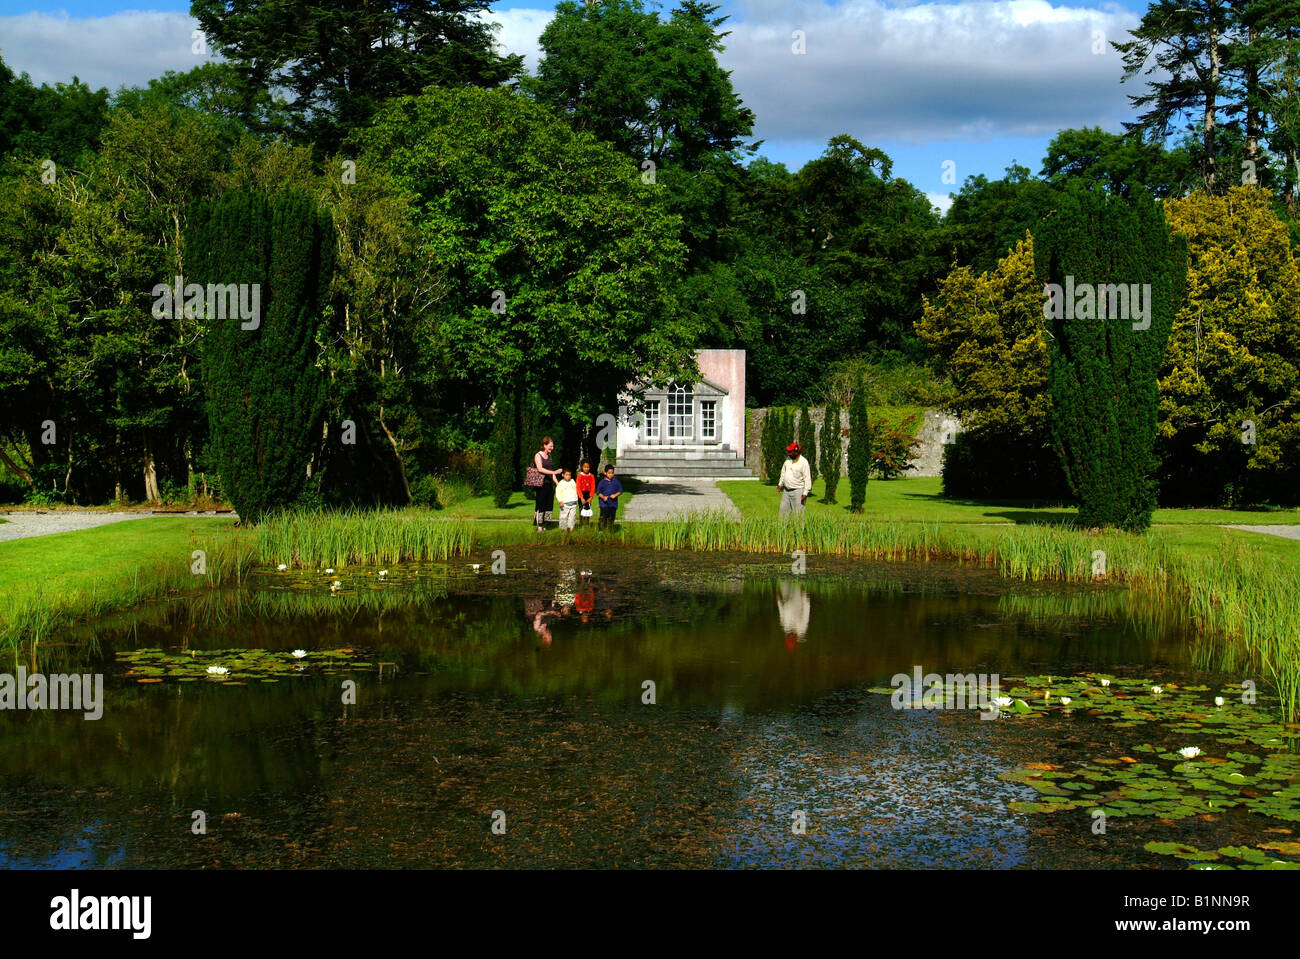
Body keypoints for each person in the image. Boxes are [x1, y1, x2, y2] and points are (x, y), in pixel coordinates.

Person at [532, 437, 562, 531]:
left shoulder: (549, 456)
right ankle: (539, 526)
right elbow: (540, 469)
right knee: (541, 504)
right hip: (541, 484)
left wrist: (557, 483)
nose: (552, 448)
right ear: (544, 445)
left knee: (549, 505)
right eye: (550, 446)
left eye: (552, 446)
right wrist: (555, 472)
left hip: (549, 484)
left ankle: (545, 524)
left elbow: (550, 472)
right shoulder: (538, 455)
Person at [777, 441, 812, 518]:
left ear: (796, 452)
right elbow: (783, 472)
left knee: (798, 515)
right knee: (782, 514)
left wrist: (805, 493)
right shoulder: (788, 460)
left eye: (790, 451)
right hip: (786, 491)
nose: (788, 453)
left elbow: (807, 478)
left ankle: (799, 530)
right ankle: (781, 529)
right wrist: (780, 484)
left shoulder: (804, 462)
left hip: (798, 492)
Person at [596, 464, 623, 529]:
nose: (611, 474)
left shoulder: (616, 481)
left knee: (611, 518)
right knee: (604, 517)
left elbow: (620, 491)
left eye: (612, 473)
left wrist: (615, 495)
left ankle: (610, 530)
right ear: (605, 473)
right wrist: (603, 497)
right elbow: (598, 492)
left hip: (613, 504)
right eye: (609, 473)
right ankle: (601, 530)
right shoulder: (602, 482)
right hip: (604, 504)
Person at [575, 460, 597, 526]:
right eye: (585, 467)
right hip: (581, 495)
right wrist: (581, 497)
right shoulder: (579, 476)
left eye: (588, 467)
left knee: (588, 509)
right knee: (582, 509)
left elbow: (593, 487)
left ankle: (587, 524)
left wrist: (591, 497)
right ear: (582, 467)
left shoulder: (591, 476)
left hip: (588, 495)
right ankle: (581, 524)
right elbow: (578, 487)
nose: (586, 468)